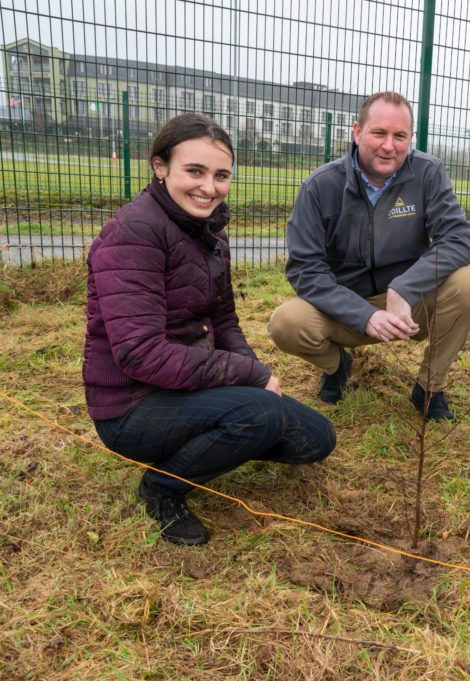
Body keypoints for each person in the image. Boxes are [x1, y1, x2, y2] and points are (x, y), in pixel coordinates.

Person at [84, 113, 336, 546]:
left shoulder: (210, 231)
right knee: (260, 414)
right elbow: (139, 353)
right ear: (160, 167)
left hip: (189, 384)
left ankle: (213, 435)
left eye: (221, 175)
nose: (209, 187)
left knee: (315, 439)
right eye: (194, 171)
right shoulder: (133, 233)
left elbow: (223, 319)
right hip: (133, 405)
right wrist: (252, 379)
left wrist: (251, 372)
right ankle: (163, 487)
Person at [268, 91, 470, 421]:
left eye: (400, 136)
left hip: (407, 307)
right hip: (344, 308)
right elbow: (305, 270)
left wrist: (405, 288)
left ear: (411, 138)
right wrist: (363, 315)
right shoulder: (319, 186)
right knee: (286, 323)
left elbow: (458, 239)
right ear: (357, 132)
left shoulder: (427, 173)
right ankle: (339, 366)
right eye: (379, 133)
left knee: (468, 283)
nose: (389, 146)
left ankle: (429, 387)